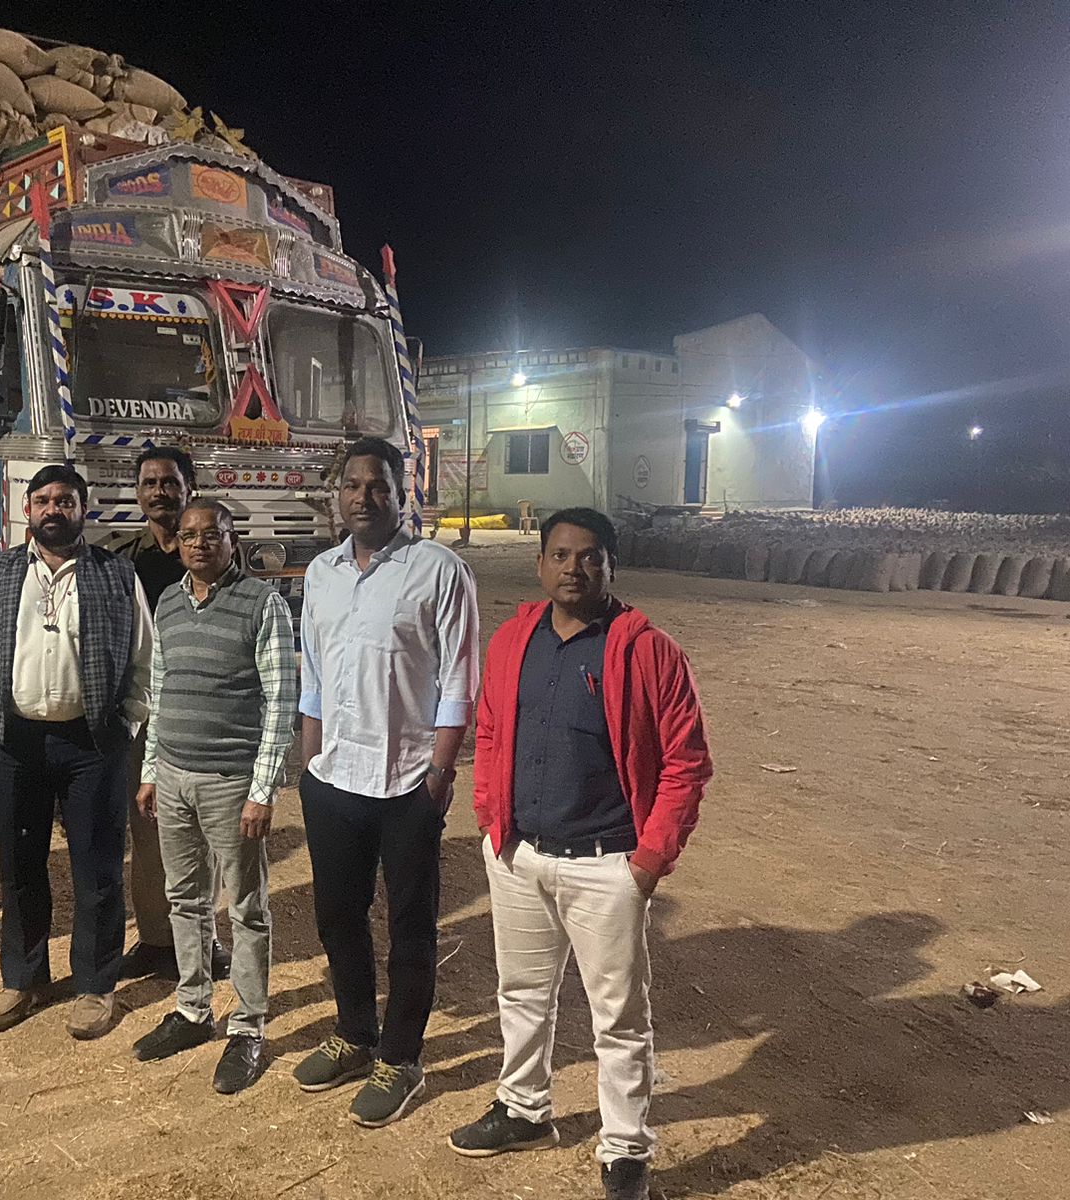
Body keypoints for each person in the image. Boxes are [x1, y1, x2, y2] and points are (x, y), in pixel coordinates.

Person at [451, 507, 712, 1200]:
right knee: (521, 994)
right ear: (540, 564)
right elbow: (489, 731)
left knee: (618, 1018)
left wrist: (649, 861)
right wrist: (490, 819)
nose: (575, 568)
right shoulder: (513, 641)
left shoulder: (649, 652)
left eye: (590, 556)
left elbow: (687, 762)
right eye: (561, 555)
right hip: (519, 855)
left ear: (611, 566)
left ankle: (625, 1148)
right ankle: (523, 1108)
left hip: (607, 862)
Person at [292, 436, 480, 1127]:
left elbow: (459, 681)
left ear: (403, 494)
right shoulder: (322, 573)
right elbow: (314, 674)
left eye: (378, 486)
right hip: (334, 778)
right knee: (337, 915)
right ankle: (354, 1033)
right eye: (352, 485)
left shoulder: (439, 571)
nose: (364, 497)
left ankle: (400, 1057)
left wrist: (440, 773)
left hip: (407, 782)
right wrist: (310, 767)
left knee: (410, 924)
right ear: (337, 495)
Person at [0, 464, 154, 1041]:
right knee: (19, 866)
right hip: (10, 744)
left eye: (65, 500)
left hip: (92, 744)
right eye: (43, 500)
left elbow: (145, 659)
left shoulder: (116, 574)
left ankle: (94, 985)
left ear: (83, 509)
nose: (53, 510)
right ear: (28, 509)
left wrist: (127, 725)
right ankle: (23, 979)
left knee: (97, 867)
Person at [130, 499, 296, 1094]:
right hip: (174, 776)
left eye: (212, 534)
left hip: (231, 783)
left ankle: (248, 1027)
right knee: (185, 898)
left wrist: (262, 789)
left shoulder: (262, 604)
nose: (200, 544)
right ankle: (193, 1008)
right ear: (176, 543)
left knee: (246, 907)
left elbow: (280, 701)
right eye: (189, 535)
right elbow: (161, 688)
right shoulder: (168, 603)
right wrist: (151, 769)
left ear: (233, 541)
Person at [114, 445, 227, 983]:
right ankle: (157, 940)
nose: (159, 491)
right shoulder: (121, 561)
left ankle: (204, 939)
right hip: (144, 710)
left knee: (203, 833)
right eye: (150, 482)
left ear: (189, 487)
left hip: (202, 710)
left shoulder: (213, 553)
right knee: (147, 832)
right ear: (138, 493)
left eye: (169, 482)